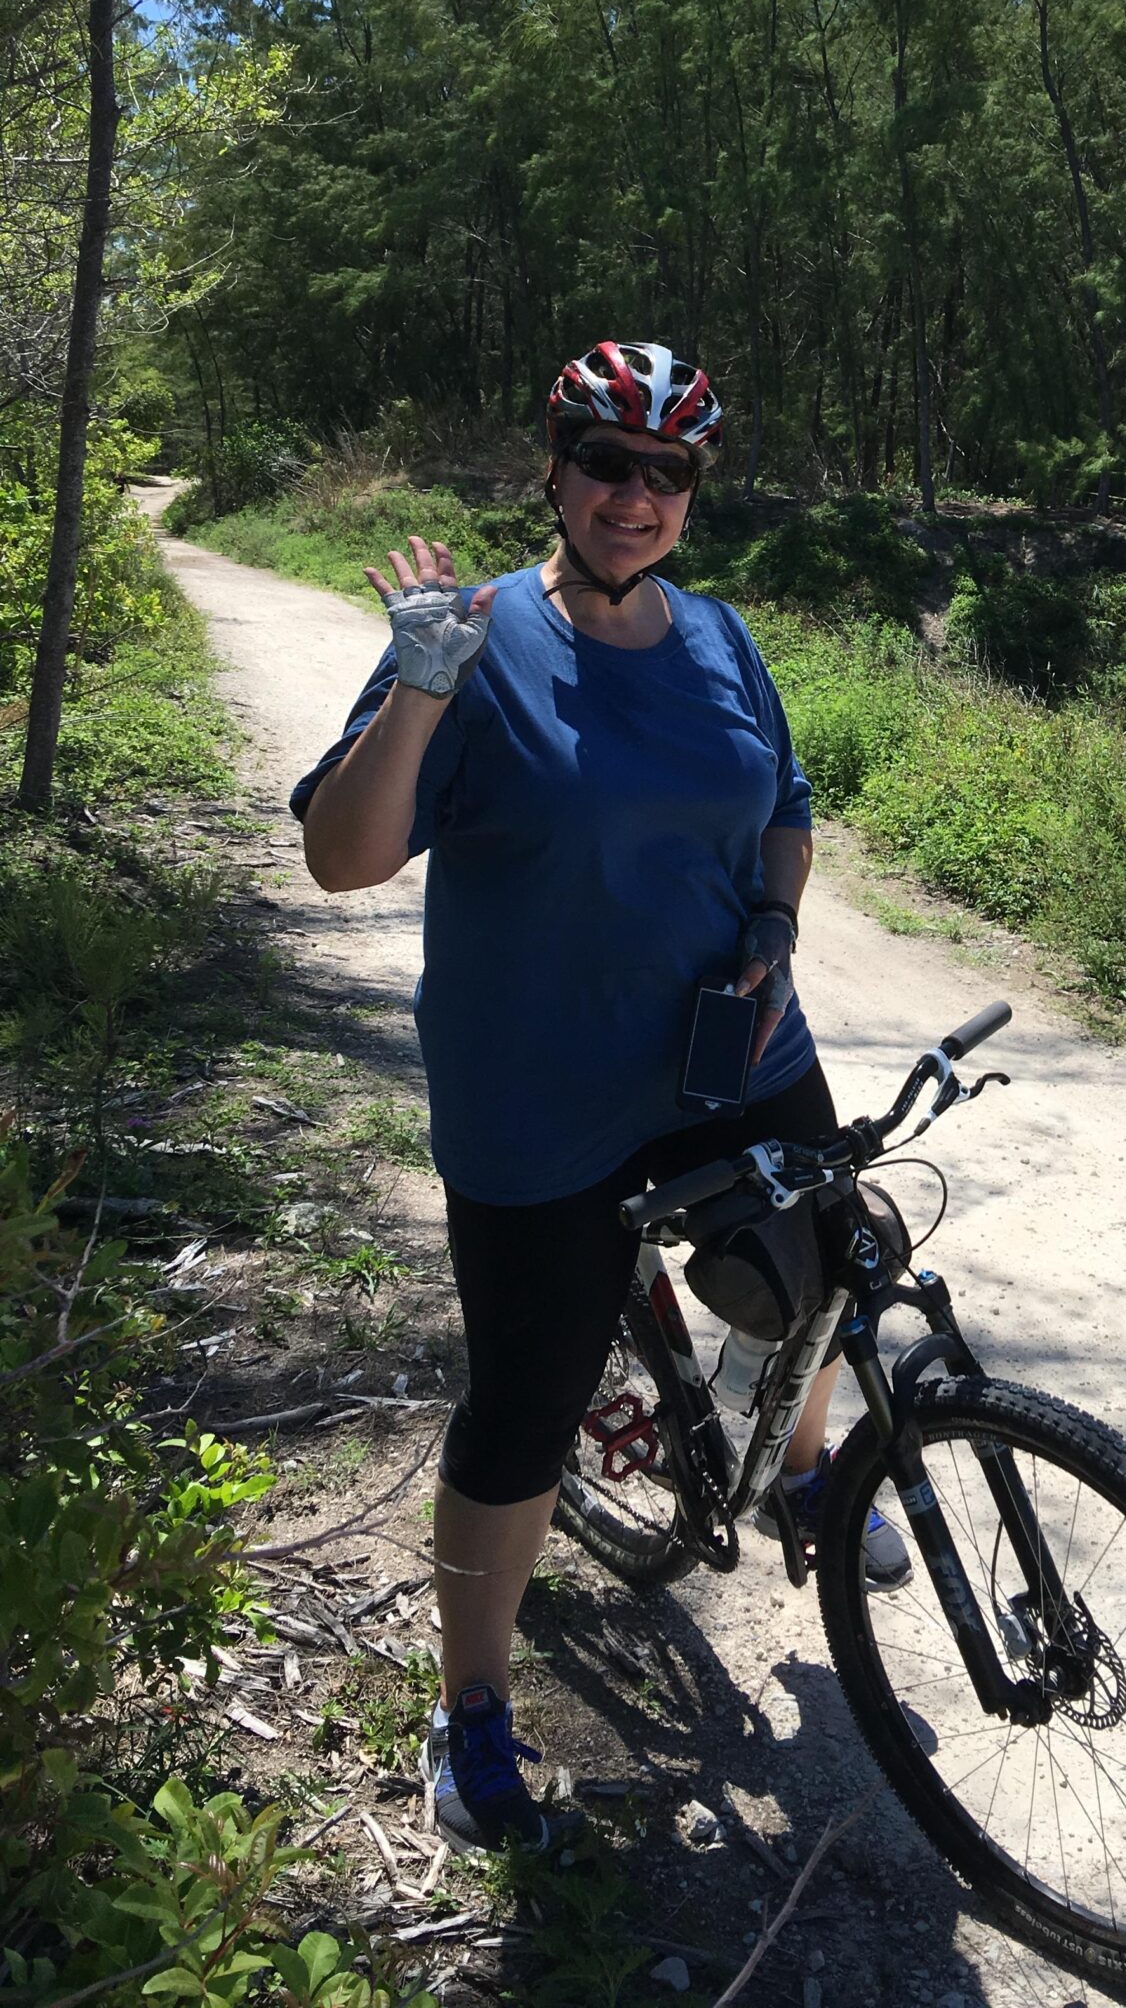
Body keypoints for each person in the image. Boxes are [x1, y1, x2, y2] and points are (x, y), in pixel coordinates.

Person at [290, 339, 909, 1859]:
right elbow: (343, 856)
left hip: (728, 1049)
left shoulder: (722, 637)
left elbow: (783, 811)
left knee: (826, 1270)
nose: (635, 496)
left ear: (692, 497)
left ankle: (807, 1475)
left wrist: (775, 925)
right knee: (525, 1411)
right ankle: (474, 1706)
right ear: (554, 472)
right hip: (542, 1085)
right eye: (606, 463)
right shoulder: (476, 629)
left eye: (668, 472)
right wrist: (421, 684)